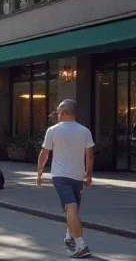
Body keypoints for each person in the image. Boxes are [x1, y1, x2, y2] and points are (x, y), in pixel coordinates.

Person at [37, 99, 95, 258]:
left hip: (60, 176)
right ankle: (70, 236)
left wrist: (39, 173)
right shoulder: (85, 131)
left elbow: (44, 153)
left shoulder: (53, 130)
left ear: (62, 112)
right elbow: (89, 154)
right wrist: (88, 174)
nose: (57, 115)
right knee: (73, 208)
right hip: (77, 175)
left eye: (58, 112)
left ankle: (81, 245)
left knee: (71, 208)